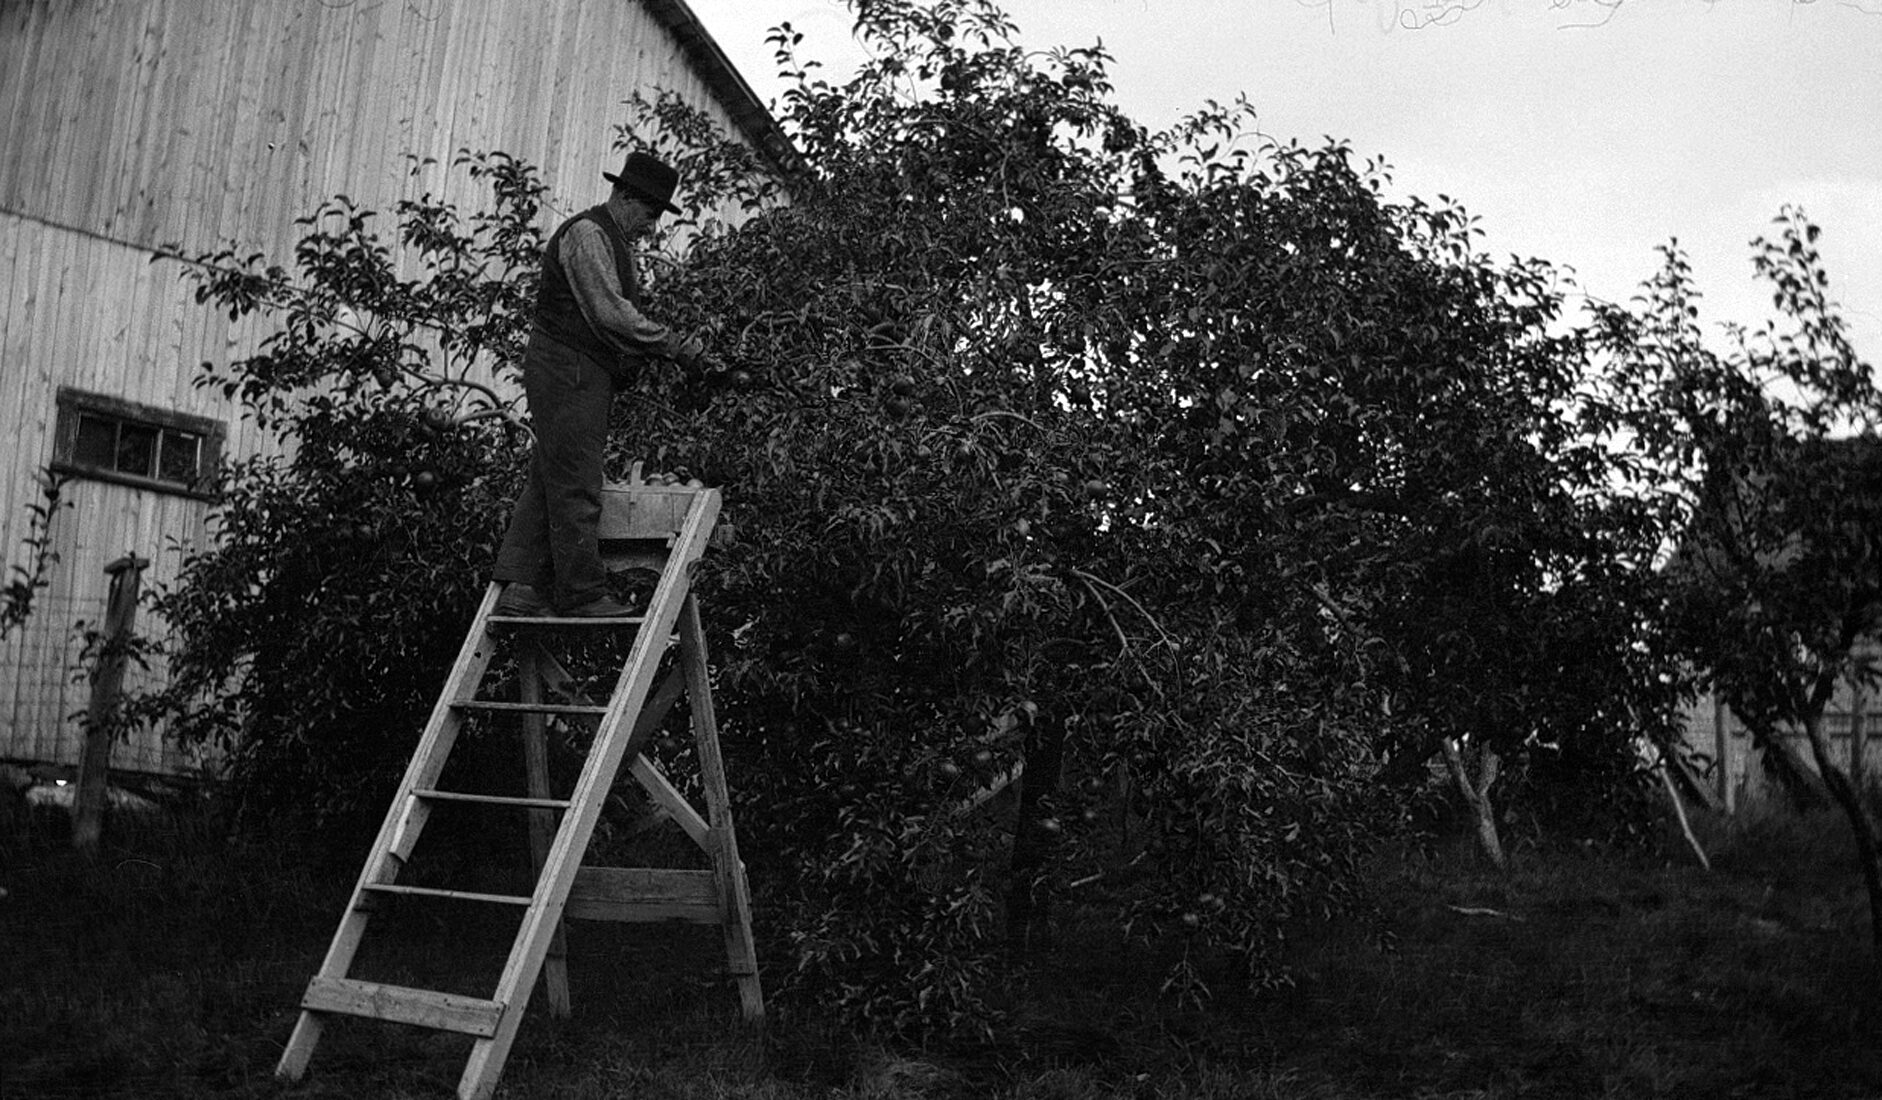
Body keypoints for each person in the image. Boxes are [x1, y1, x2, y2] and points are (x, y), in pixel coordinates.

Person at [491, 151, 713, 617]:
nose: (652, 225)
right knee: (577, 479)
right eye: (650, 212)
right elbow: (610, 315)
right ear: (626, 196)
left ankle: (521, 585)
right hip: (567, 367)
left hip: (578, 369)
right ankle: (582, 593)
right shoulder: (589, 235)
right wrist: (674, 346)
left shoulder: (614, 241)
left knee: (551, 473)